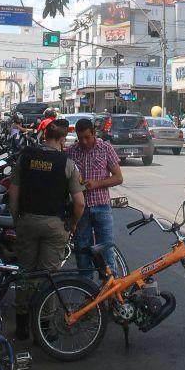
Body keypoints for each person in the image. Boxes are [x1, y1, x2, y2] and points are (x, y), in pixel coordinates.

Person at [8, 120, 85, 340]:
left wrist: (17, 219)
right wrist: (72, 224)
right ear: (61, 140)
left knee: (26, 272)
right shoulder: (66, 163)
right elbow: (79, 203)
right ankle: (45, 326)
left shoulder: (25, 157)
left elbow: (14, 193)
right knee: (49, 276)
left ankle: (22, 324)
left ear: (44, 136)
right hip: (54, 225)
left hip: (27, 221)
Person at [67, 116, 123, 278]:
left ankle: (111, 292)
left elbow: (118, 177)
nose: (83, 141)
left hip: (101, 207)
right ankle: (87, 289)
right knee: (82, 250)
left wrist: (97, 183)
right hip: (80, 209)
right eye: (80, 138)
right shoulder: (71, 152)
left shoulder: (105, 149)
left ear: (94, 133)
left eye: (87, 137)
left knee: (106, 250)